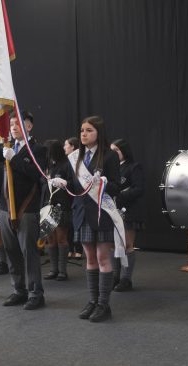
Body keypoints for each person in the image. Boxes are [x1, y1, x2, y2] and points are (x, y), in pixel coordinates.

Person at [51, 115, 122, 322]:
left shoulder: (109, 156)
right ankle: (92, 301)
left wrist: (104, 183)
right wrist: (63, 183)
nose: (84, 134)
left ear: (99, 133)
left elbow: (116, 187)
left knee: (102, 258)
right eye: (82, 130)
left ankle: (103, 304)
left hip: (102, 212)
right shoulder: (76, 157)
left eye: (89, 130)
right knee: (90, 259)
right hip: (81, 213)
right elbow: (75, 186)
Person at [0, 111, 47, 310]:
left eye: (18, 123)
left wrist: (15, 159)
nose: (14, 127)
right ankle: (19, 290)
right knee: (11, 251)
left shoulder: (38, 149)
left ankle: (35, 293)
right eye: (11, 124)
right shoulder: (7, 146)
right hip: (5, 206)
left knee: (29, 252)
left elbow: (36, 174)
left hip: (26, 207)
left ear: (29, 126)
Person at [109, 139, 145, 291]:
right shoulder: (109, 168)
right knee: (112, 244)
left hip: (128, 211)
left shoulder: (134, 167)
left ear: (124, 151)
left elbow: (139, 189)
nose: (113, 154)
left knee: (127, 245)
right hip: (111, 210)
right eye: (111, 151)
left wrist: (120, 195)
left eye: (116, 150)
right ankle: (115, 276)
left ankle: (126, 279)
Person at [43, 139, 73, 281]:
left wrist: (65, 183)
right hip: (48, 206)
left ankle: (62, 270)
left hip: (62, 205)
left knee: (61, 237)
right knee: (50, 238)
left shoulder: (67, 165)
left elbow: (73, 184)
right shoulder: (48, 166)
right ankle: (53, 269)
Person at [64, 137, 82, 259]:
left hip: (78, 196)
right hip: (68, 196)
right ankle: (70, 248)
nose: (64, 147)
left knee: (77, 224)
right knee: (70, 225)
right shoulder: (67, 161)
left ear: (73, 147)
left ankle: (79, 249)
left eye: (66, 145)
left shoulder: (79, 160)